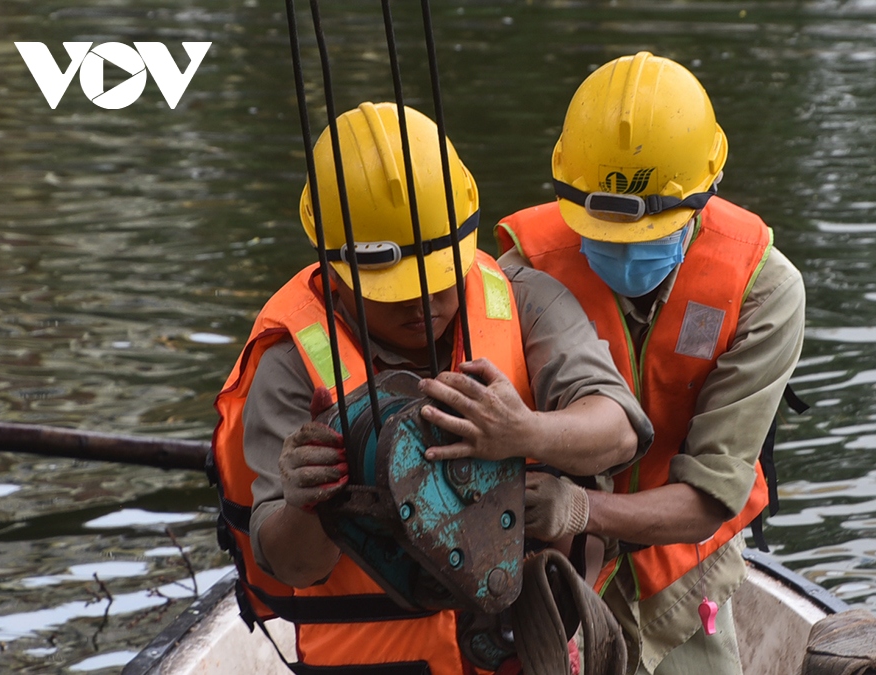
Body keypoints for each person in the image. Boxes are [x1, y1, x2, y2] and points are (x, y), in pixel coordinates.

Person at [210, 101, 652, 675]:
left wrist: (524, 431)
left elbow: (618, 428)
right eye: (390, 288)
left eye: (441, 275)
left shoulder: (525, 302)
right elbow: (291, 566)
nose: (422, 302)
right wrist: (308, 502)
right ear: (334, 264)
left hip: (521, 649)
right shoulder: (292, 364)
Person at [495, 52, 806, 675]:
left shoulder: (763, 291)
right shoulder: (519, 273)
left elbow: (712, 497)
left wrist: (583, 509)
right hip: (547, 574)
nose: (620, 250)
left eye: (645, 233)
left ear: (704, 195)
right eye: (601, 231)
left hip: (686, 580)